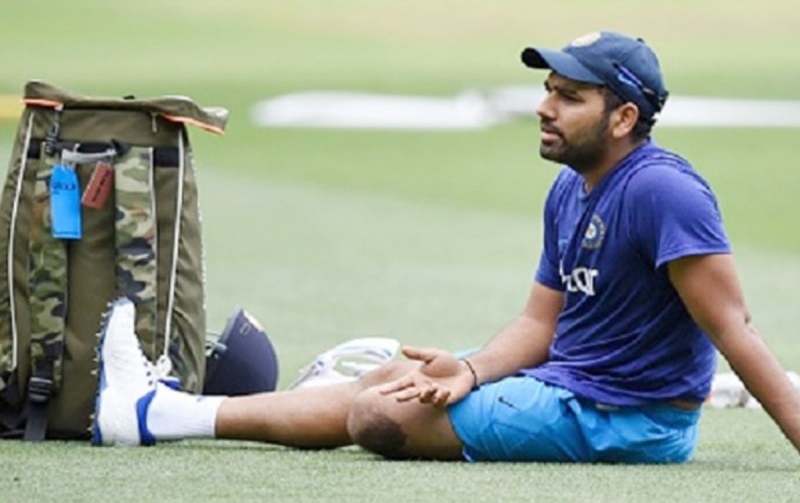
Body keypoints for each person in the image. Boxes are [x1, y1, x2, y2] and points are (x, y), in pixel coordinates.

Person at [92, 31, 800, 462]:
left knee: (381, 410)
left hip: (627, 421)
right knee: (391, 382)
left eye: (569, 96)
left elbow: (734, 327)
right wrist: (469, 368)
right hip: (576, 393)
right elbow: (538, 325)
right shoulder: (570, 188)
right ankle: (156, 414)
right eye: (547, 89)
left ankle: (155, 413)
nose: (543, 106)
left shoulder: (663, 192)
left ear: (623, 117)